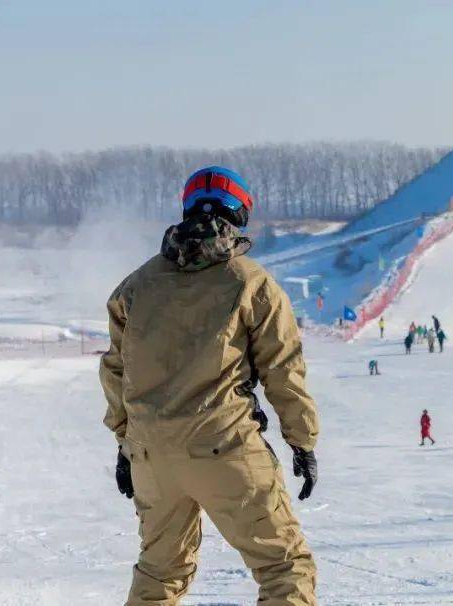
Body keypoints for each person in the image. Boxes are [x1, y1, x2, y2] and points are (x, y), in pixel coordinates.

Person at [100, 166, 319, 605]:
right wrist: (302, 441)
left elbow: (116, 370)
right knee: (283, 569)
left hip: (152, 455)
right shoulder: (250, 281)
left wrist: (126, 443)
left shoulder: (136, 286)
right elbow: (283, 369)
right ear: (240, 212)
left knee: (159, 574)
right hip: (225, 445)